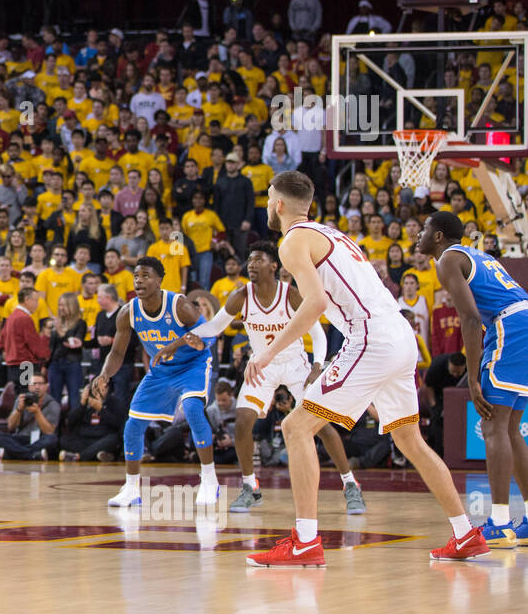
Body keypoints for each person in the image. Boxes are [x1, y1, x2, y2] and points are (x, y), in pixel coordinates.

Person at [245, 171, 485, 566]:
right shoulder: (331, 233)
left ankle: (305, 541)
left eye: (269, 197)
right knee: (410, 442)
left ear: (279, 204)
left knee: (295, 427)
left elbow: (316, 304)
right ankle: (465, 534)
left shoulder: (292, 241)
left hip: (371, 338)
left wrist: (268, 353)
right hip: (399, 335)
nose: (268, 204)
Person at [157, 241, 366, 514]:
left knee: (321, 425)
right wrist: (178, 343)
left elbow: (317, 333)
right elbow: (213, 328)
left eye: (258, 260)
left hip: (295, 364)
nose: (251, 264)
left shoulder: (290, 295)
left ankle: (350, 484)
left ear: (274, 265)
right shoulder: (241, 296)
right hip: (262, 366)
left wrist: (317, 367)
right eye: (250, 259)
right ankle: (249, 487)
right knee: (243, 421)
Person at [420, 211, 528, 546]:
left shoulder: (449, 259)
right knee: (511, 429)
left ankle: (498, 522)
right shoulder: (476, 255)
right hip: (522, 319)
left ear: (439, 236)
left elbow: (468, 319)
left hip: (509, 326)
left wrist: (471, 376)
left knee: (494, 426)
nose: (419, 234)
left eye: (425, 229)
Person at [93, 256, 217, 507]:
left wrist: (187, 342)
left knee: (193, 409)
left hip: (192, 365)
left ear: (159, 280)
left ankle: (209, 480)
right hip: (162, 371)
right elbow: (117, 353)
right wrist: (104, 374)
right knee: (133, 425)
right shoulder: (128, 312)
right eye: (136, 276)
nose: (139, 280)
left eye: (146, 276)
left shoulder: (178, 304)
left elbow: (209, 332)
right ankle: (131, 488)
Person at [0, 370, 60, 460]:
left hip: (40, 440)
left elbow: (49, 431)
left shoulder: (53, 404)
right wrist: (19, 410)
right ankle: (31, 455)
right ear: (29, 387)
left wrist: (37, 412)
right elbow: (11, 426)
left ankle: (14, 452)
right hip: (20, 438)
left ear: (46, 386)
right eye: (34, 384)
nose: (37, 387)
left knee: (52, 439)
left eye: (40, 384)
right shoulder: (21, 400)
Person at [59, 374, 126, 462]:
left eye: (102, 388)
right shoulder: (84, 401)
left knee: (114, 439)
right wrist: (82, 405)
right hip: (85, 439)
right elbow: (71, 422)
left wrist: (101, 410)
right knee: (63, 440)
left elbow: (118, 424)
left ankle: (78, 457)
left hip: (103, 439)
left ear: (107, 389)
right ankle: (98, 455)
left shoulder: (114, 403)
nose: (98, 391)